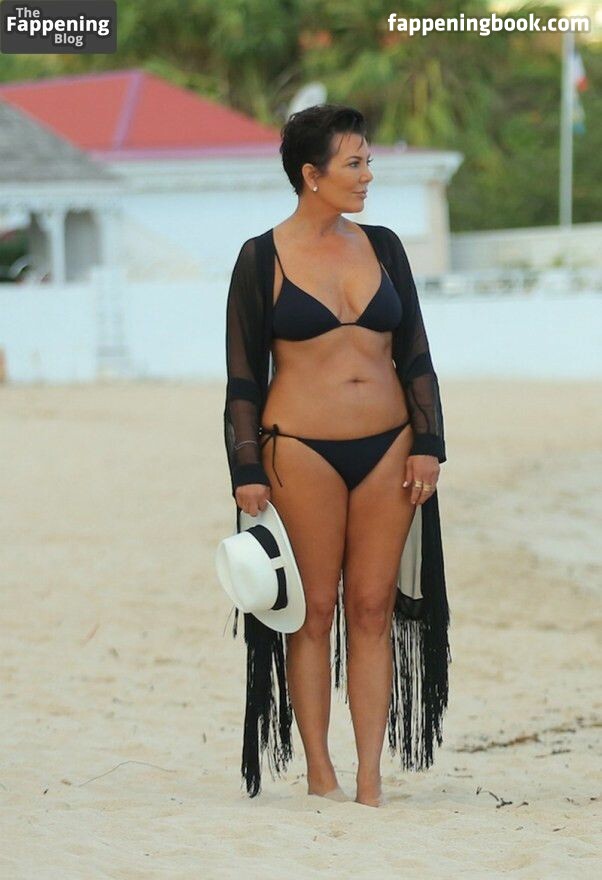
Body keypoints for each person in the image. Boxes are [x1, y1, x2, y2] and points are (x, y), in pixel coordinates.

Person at [223, 103, 450, 806]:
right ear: (312, 174)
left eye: (368, 161)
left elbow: (415, 352)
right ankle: (320, 771)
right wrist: (245, 470)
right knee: (314, 609)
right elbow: (242, 375)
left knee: (375, 607)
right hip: (299, 450)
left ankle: (370, 778)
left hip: (390, 447)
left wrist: (429, 444)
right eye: (355, 163)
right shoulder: (261, 258)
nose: (367, 175)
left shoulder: (384, 247)